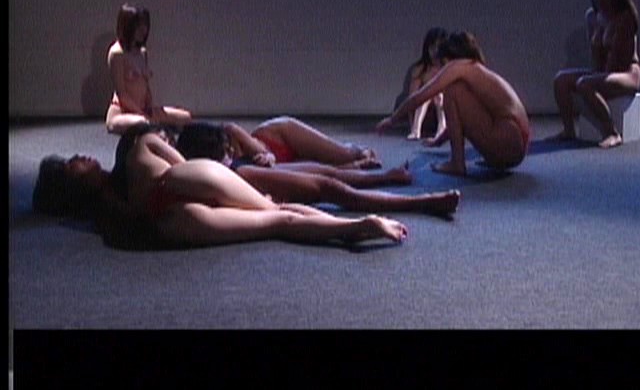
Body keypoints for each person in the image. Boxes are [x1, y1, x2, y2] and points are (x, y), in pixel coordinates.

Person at [32, 125, 409, 249]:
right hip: (179, 186)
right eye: (71, 163)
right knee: (276, 213)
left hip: (171, 216)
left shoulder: (107, 212)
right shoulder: (134, 152)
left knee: (278, 219)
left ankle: (360, 226)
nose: (79, 156)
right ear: (71, 182)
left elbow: (140, 226)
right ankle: (361, 223)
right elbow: (184, 162)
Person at [174, 122, 460, 217]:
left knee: (326, 172)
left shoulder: (225, 153)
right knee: (331, 189)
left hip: (245, 170)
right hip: (246, 177)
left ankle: (387, 177)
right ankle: (422, 202)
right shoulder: (229, 170)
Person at [376, 30, 530, 176]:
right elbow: (464, 117)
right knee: (456, 92)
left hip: (509, 141)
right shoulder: (474, 68)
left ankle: (457, 163)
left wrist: (392, 119)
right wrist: (439, 140)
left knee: (452, 90)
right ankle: (462, 161)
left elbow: (421, 96)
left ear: (448, 58)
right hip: (516, 145)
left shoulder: (459, 67)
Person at [550, 0, 640, 148]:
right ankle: (569, 130)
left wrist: (596, 79)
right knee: (561, 80)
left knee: (585, 84)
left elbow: (618, 60)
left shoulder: (626, 18)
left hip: (626, 72)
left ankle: (612, 132)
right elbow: (595, 56)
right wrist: (596, 73)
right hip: (604, 69)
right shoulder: (592, 16)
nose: (599, 0)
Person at [105, 3, 192, 135]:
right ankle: (155, 129)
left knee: (185, 117)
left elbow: (145, 85)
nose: (143, 30)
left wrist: (149, 106)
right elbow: (122, 94)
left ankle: (157, 126)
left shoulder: (142, 52)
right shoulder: (116, 53)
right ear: (128, 26)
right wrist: (141, 113)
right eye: (139, 26)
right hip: (122, 112)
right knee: (144, 123)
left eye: (145, 25)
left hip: (144, 109)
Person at [224, 116, 382, 169]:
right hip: (280, 164)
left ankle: (360, 151)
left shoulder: (229, 132)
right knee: (322, 170)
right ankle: (356, 163)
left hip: (279, 137)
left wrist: (267, 157)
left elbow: (267, 154)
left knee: (343, 155)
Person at [394, 28, 449, 140]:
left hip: (445, 113)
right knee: (426, 94)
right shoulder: (420, 69)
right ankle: (416, 130)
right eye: (432, 47)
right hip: (424, 116)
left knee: (438, 95)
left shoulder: (449, 68)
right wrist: (412, 126)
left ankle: (442, 129)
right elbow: (413, 98)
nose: (435, 52)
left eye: (438, 48)